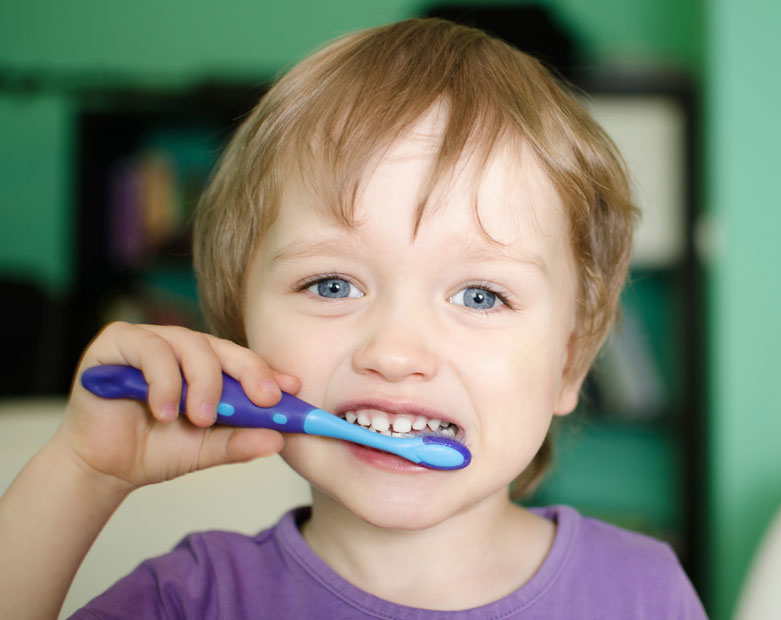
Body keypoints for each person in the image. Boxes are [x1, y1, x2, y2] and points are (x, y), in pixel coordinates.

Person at [0, 18, 707, 619]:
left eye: (481, 296)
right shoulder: (195, 599)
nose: (395, 352)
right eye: (332, 284)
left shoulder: (642, 595)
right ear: (241, 339)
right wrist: (84, 472)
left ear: (570, 363)